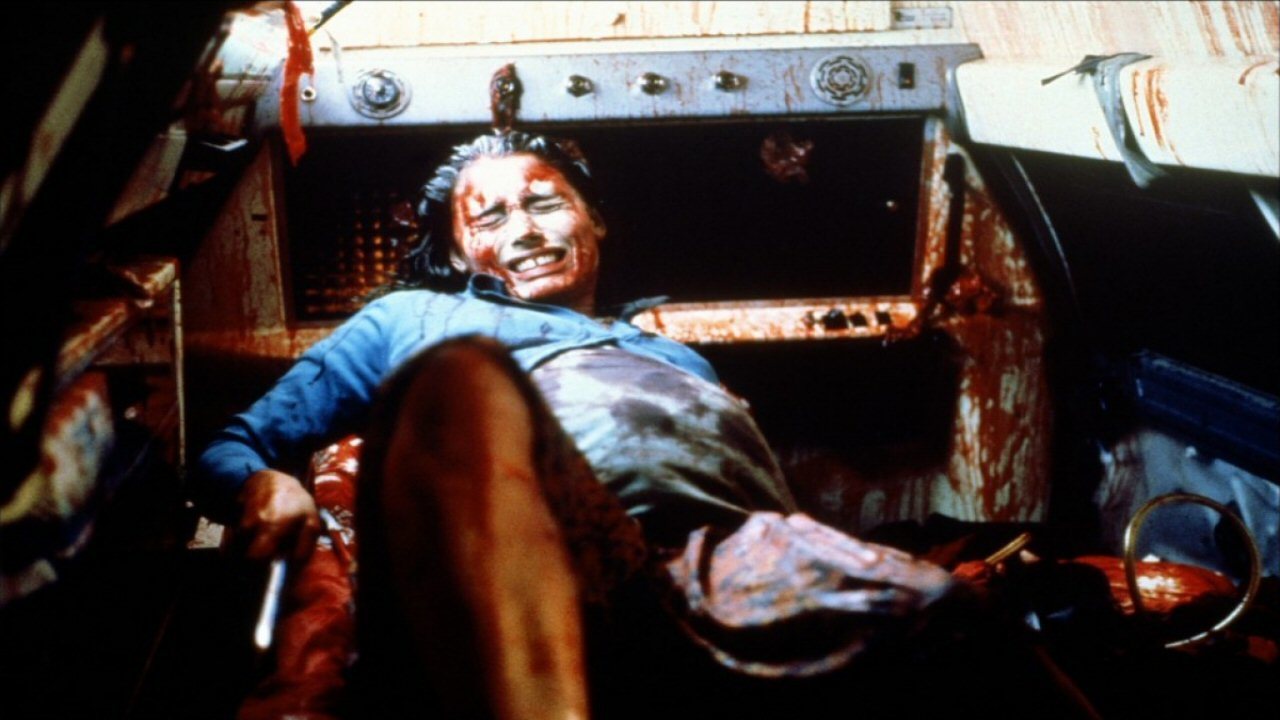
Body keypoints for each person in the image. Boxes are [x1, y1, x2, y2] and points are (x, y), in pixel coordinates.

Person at [194, 131, 997, 720]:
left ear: (595, 222)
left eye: (545, 203)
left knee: (934, 606)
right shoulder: (413, 318)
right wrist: (263, 483)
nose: (526, 229)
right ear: (459, 253)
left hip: (699, 560)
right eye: (490, 218)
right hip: (536, 538)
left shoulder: (675, 357)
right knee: (466, 382)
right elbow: (231, 448)